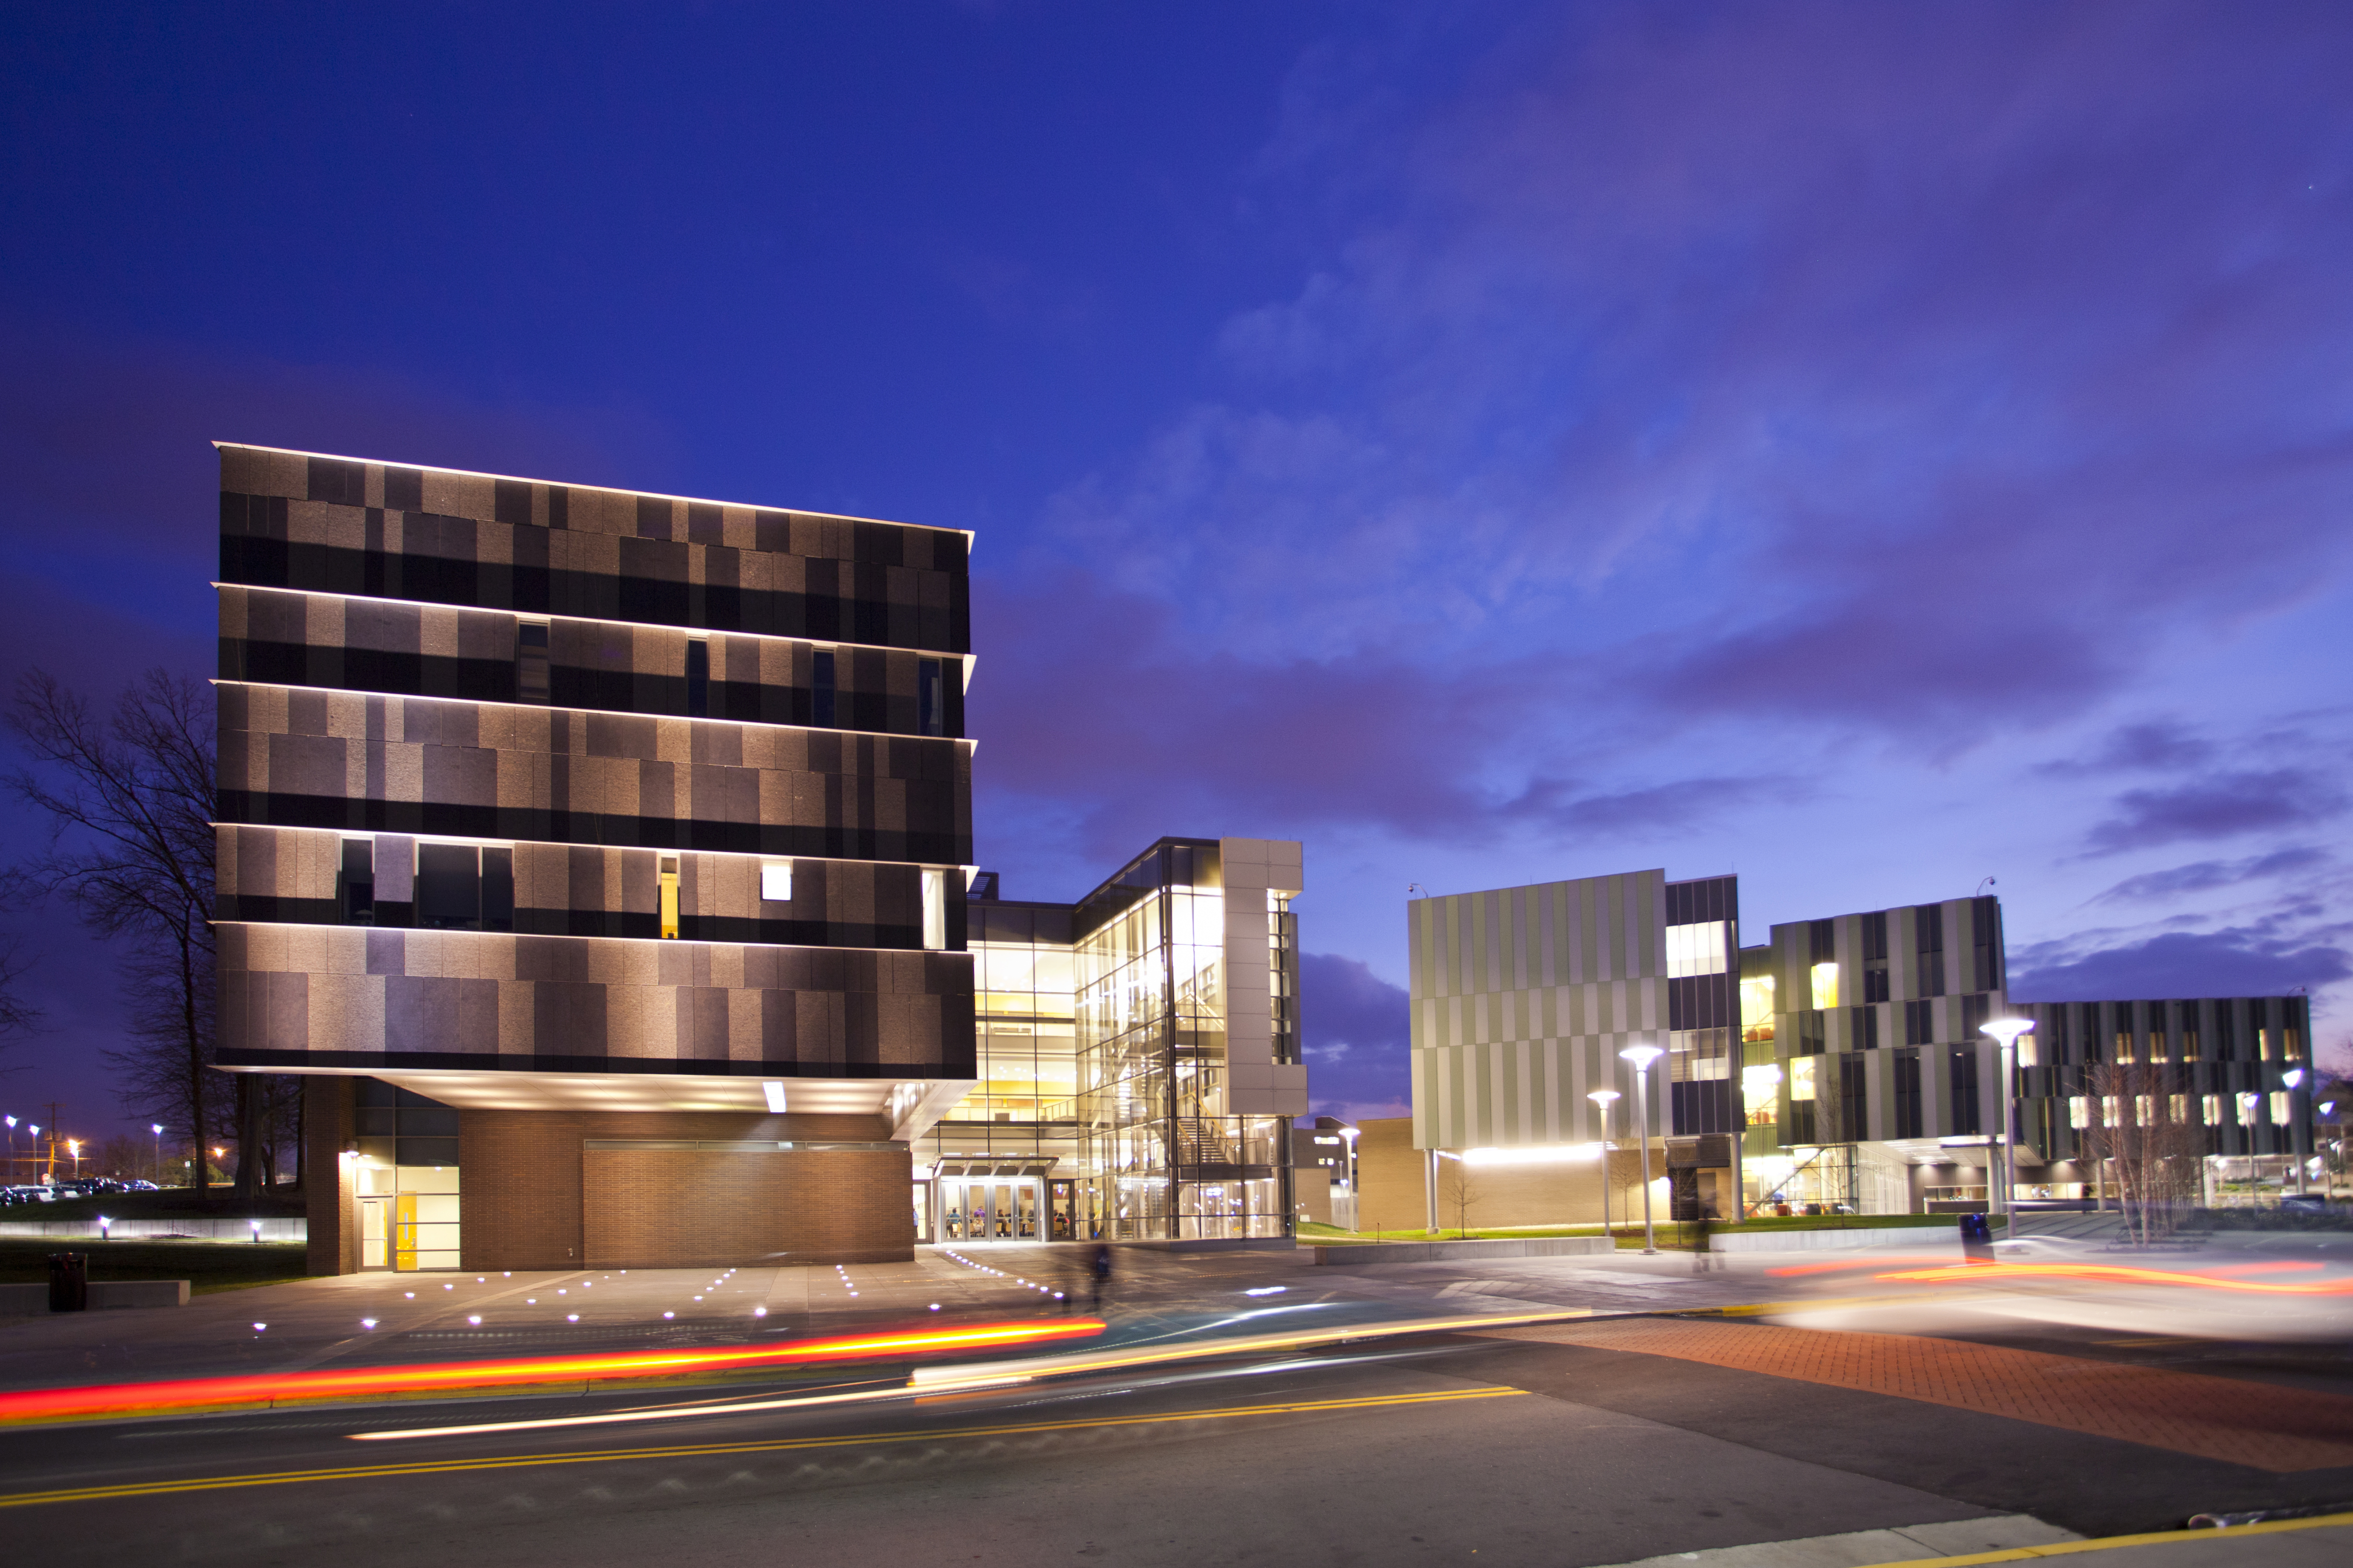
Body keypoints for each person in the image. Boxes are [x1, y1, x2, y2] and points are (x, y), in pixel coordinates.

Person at [1090, 1242, 1113, 1312]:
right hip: (1102, 1272)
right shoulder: (1105, 1255)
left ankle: (1096, 1301)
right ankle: (1097, 1302)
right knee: (1098, 1288)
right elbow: (1107, 1264)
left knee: (1097, 1288)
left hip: (1099, 1272)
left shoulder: (1100, 1254)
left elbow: (1098, 1263)